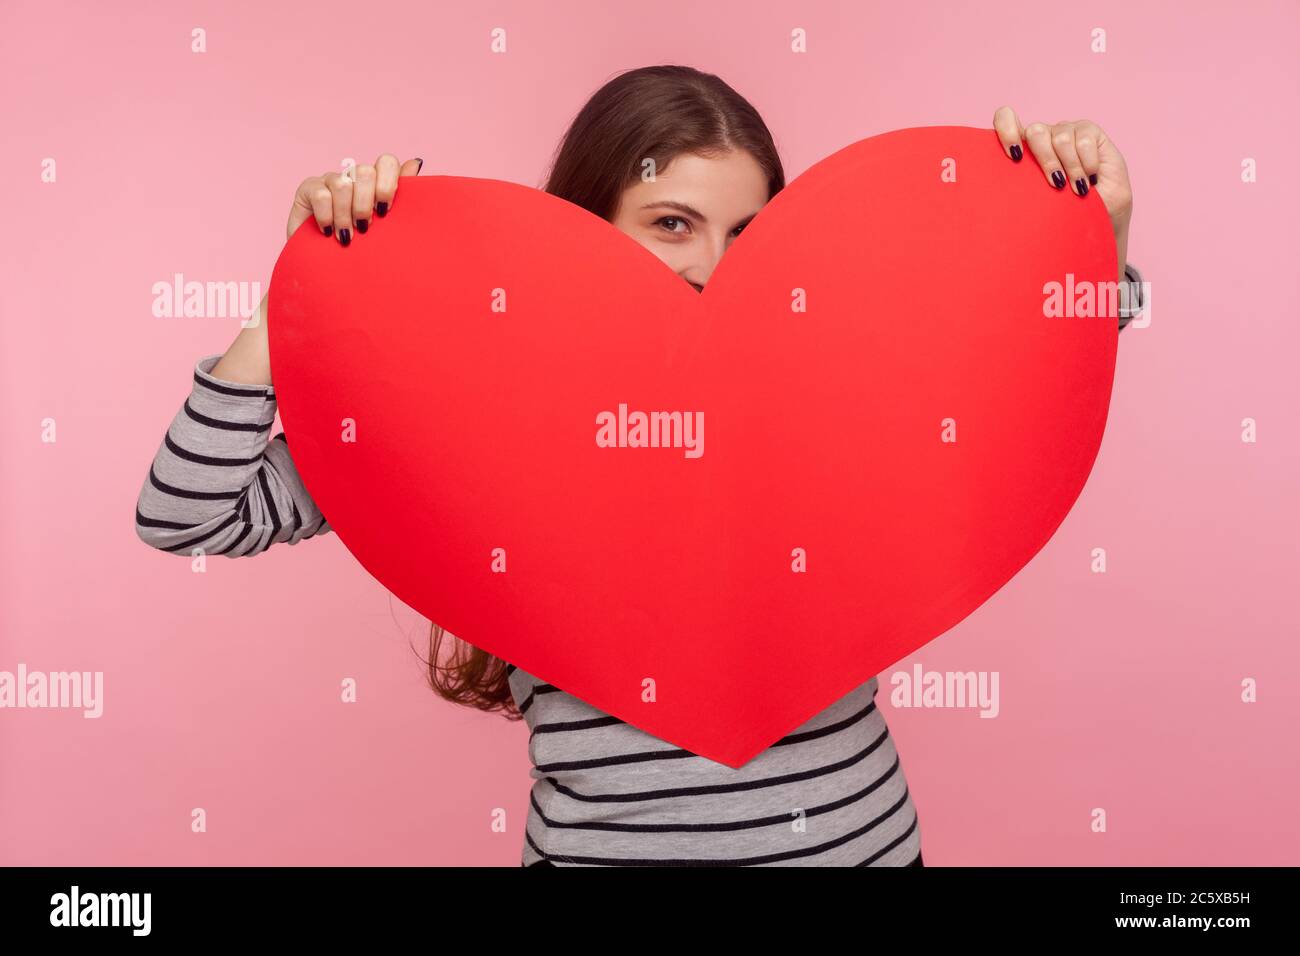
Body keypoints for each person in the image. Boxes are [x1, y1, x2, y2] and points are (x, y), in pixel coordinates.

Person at [135, 64, 1143, 867]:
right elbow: (190, 510)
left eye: (746, 233)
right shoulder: (476, 411)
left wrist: (1084, 231)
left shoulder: (828, 381)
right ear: (586, 227)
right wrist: (306, 291)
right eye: (671, 224)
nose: (711, 265)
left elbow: (1026, 364)